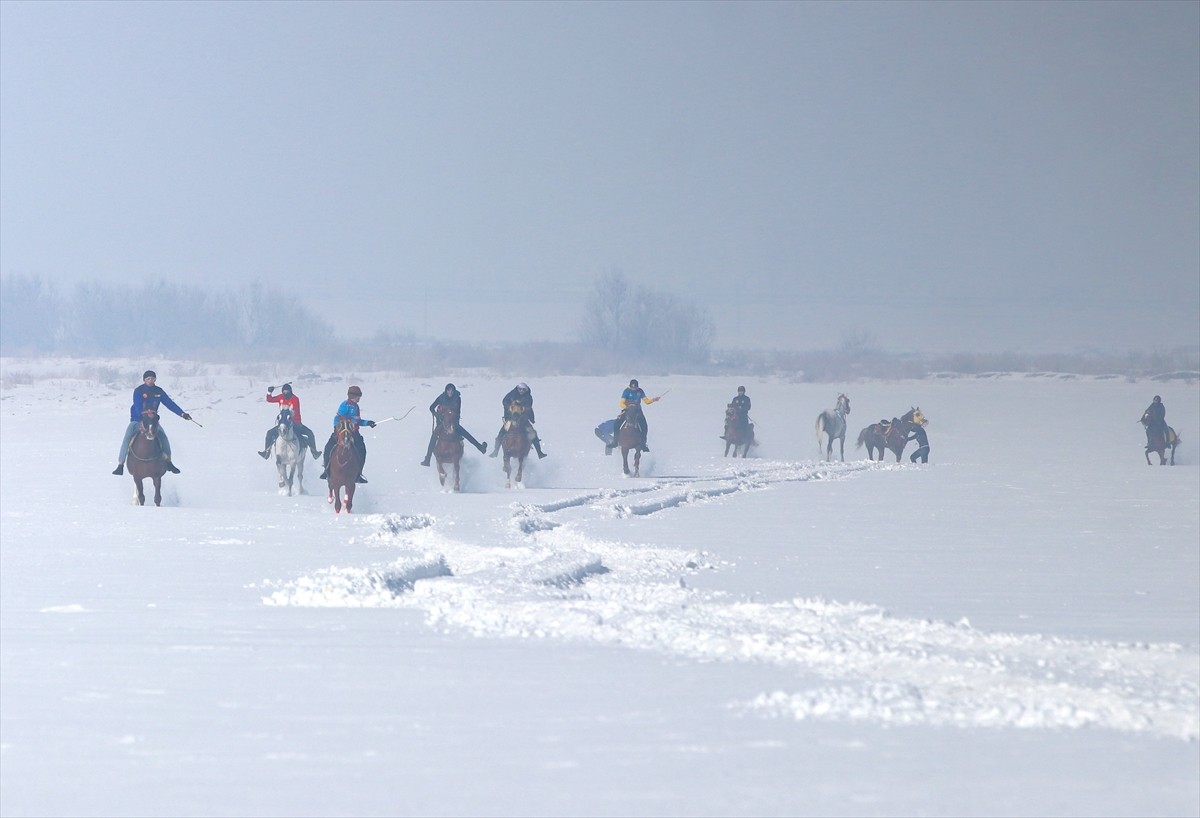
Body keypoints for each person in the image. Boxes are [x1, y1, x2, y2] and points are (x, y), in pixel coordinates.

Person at [112, 370, 191, 475]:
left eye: (153, 379)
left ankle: (169, 462)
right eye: (148, 379)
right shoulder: (139, 391)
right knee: (127, 438)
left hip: (153, 421)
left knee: (163, 437)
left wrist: (182, 413)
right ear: (144, 380)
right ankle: (120, 465)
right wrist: (142, 416)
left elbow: (169, 403)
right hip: (138, 420)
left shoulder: (159, 391)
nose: (150, 381)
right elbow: (137, 405)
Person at [318, 385, 375, 484]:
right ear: (354, 396)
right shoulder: (344, 405)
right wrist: (341, 427)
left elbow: (357, 421)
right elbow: (340, 418)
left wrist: (368, 423)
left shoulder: (356, 406)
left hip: (354, 432)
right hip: (342, 430)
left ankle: (358, 473)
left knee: (362, 449)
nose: (359, 398)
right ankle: (327, 470)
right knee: (329, 446)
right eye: (359, 396)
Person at [421, 383, 486, 466]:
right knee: (434, 437)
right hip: (442, 422)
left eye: (452, 391)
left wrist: (455, 419)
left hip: (453, 421)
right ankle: (427, 459)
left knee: (465, 433)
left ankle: (480, 447)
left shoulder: (457, 398)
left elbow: (458, 411)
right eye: (449, 390)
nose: (450, 392)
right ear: (446, 391)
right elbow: (431, 407)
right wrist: (438, 415)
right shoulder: (441, 397)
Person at [258, 383, 319, 460]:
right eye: (284, 391)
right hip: (283, 423)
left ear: (290, 391)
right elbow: (270, 399)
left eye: (287, 391)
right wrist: (269, 392)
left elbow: (294, 411)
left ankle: (314, 452)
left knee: (310, 433)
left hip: (295, 423)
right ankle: (266, 452)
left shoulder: (295, 399)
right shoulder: (281, 397)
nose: (285, 393)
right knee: (269, 433)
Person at [489, 382, 547, 459]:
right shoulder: (511, 394)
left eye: (523, 389)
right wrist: (510, 406)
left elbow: (528, 406)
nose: (521, 391)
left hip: (523, 419)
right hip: (510, 418)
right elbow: (505, 401)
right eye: (520, 389)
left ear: (526, 390)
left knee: (532, 433)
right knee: (502, 432)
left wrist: (522, 408)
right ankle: (496, 451)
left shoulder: (528, 397)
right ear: (517, 389)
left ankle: (539, 452)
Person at [609, 378, 659, 453]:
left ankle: (643, 444)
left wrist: (653, 400)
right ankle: (615, 441)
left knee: (644, 426)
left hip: (637, 411)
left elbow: (646, 401)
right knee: (616, 424)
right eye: (632, 387)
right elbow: (621, 403)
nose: (634, 389)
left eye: (635, 387)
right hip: (627, 410)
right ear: (630, 386)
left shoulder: (640, 391)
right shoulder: (626, 391)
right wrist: (626, 408)